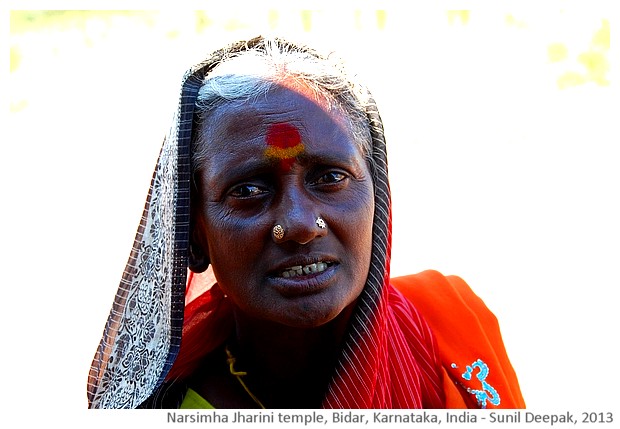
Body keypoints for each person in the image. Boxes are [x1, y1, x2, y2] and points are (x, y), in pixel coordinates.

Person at [87, 36, 525, 409]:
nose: (299, 224)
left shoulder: (451, 323)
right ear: (193, 236)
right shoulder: (170, 405)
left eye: (330, 178)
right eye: (248, 190)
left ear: (379, 201)